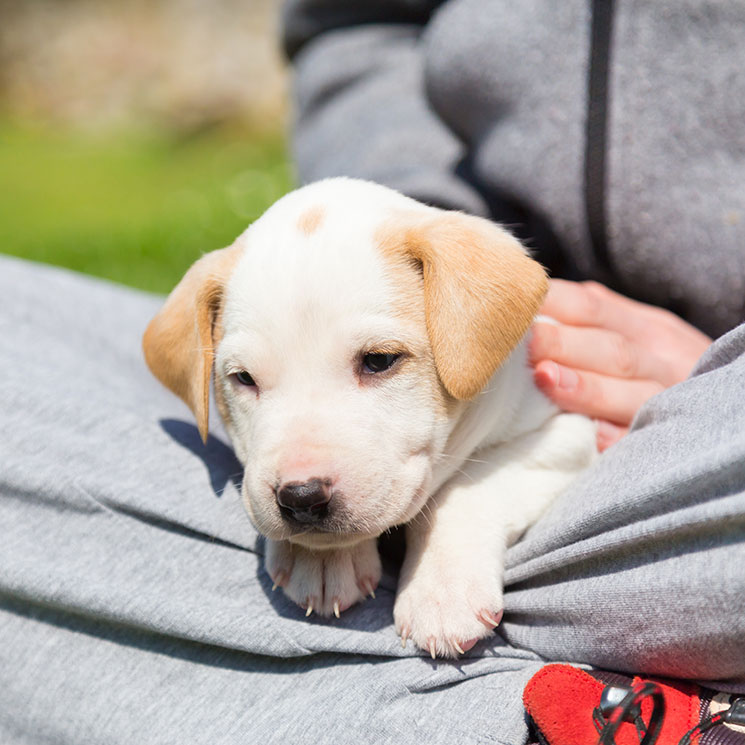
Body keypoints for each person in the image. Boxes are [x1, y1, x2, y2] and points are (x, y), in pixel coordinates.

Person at [1, 3, 743, 744]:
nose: (300, 477)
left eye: (377, 360)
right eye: (246, 381)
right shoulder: (343, 303)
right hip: (483, 282)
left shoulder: (480, 319)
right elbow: (354, 29)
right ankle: (599, 708)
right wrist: (403, 212)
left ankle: (378, 691)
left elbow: (555, 443)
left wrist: (460, 525)